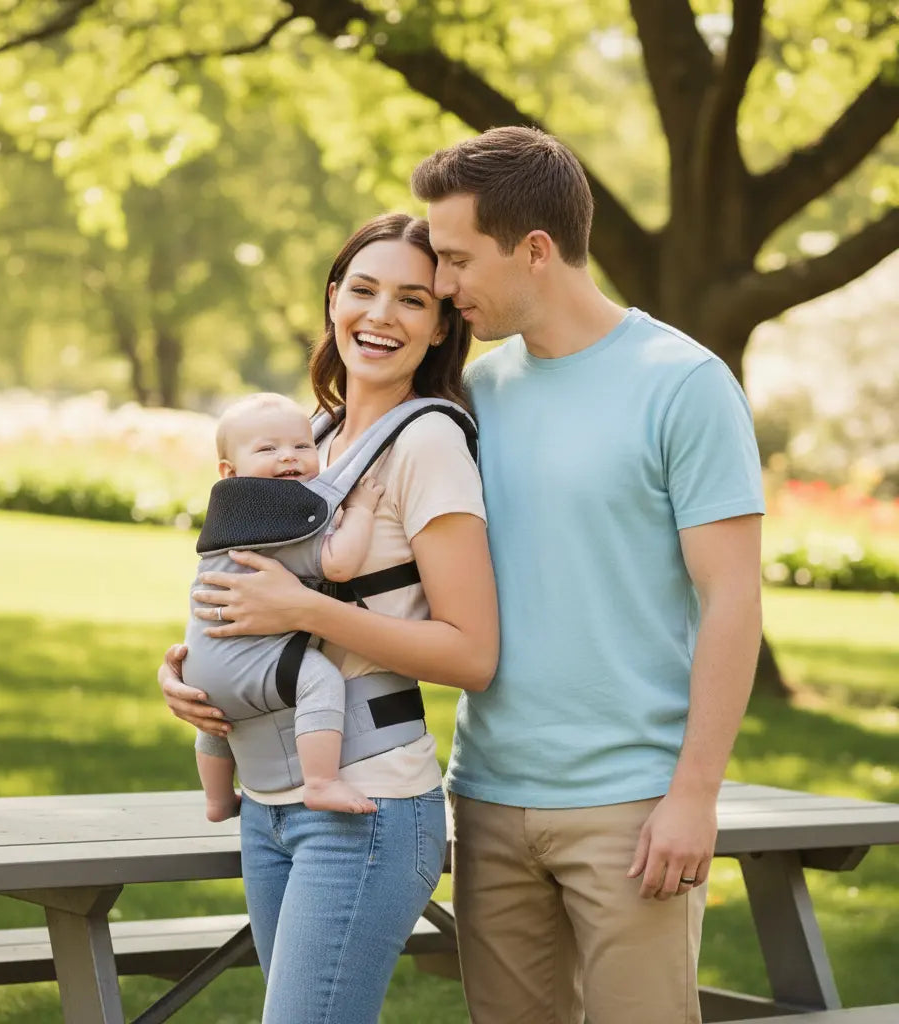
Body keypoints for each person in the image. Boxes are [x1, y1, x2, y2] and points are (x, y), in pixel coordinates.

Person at [405, 126, 764, 1024]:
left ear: (534, 250)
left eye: (455, 259)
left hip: (633, 808)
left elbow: (733, 597)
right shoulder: (472, 396)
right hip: (487, 796)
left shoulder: (684, 383)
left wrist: (695, 797)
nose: (440, 286)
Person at [159, 212, 498, 1024]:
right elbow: (247, 593)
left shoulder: (427, 446)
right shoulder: (304, 439)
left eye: (413, 300)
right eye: (365, 289)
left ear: (441, 323)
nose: (381, 316)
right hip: (270, 801)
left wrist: (302, 607)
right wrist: (193, 671)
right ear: (333, 298)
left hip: (368, 804)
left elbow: (472, 654)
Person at [184, 391, 385, 820]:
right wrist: (363, 511)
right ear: (230, 471)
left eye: (302, 446)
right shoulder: (283, 519)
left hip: (200, 663)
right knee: (320, 681)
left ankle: (218, 800)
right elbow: (340, 564)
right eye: (268, 449)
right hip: (252, 664)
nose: (288, 457)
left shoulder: (228, 519)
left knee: (219, 724)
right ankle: (321, 781)